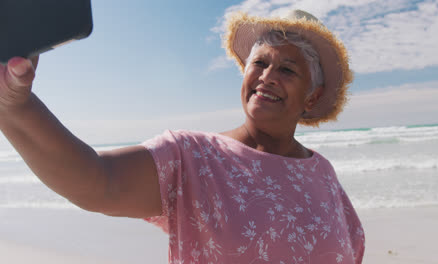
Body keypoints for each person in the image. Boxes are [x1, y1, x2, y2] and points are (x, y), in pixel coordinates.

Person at [0, 9, 364, 264]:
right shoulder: (194, 157)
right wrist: (17, 105)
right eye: (259, 63)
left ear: (312, 97)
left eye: (287, 68)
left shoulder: (324, 175)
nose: (267, 76)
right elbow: (97, 181)